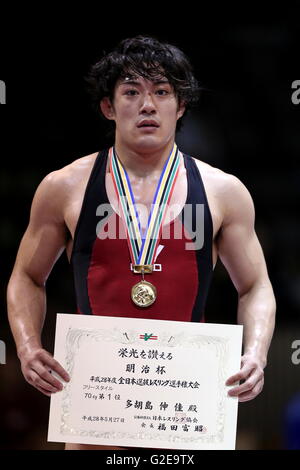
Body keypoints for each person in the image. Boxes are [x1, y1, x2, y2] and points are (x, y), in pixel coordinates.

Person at [7, 35, 276, 451]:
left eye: (162, 92)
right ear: (108, 107)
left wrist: (255, 353)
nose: (148, 105)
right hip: (97, 406)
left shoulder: (224, 192)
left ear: (180, 105)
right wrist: (27, 347)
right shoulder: (64, 188)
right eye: (132, 92)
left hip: (183, 403)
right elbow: (26, 276)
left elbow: (255, 286)